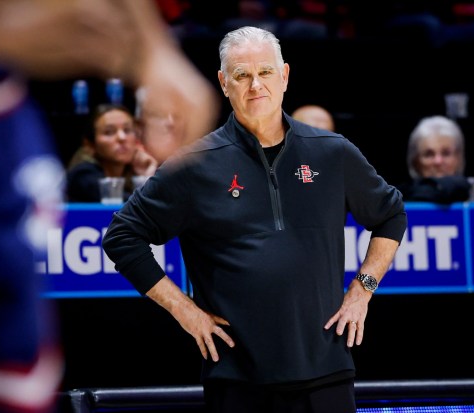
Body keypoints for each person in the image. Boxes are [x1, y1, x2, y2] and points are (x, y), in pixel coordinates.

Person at [102, 26, 407, 413]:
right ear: (223, 83)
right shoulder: (193, 164)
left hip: (326, 368)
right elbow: (122, 236)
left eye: (265, 72)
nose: (254, 86)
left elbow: (391, 214)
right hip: (237, 379)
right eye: (242, 75)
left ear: (284, 76)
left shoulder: (332, 151)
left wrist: (363, 289)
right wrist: (185, 310)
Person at [0, 1, 218, 412]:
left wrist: (154, 47)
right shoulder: (90, 178)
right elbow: (123, 239)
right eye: (111, 132)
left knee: (5, 371)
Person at [66, 103, 157, 203]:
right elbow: (139, 205)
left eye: (127, 130)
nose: (122, 137)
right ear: (90, 145)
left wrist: (146, 175)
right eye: (109, 132)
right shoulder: (82, 175)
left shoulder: (130, 176)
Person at [398, 115, 471, 203]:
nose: (438, 161)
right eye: (429, 154)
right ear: (415, 162)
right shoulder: (396, 201)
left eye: (446, 153)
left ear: (459, 158)